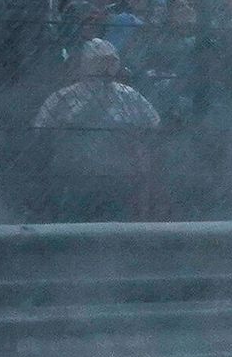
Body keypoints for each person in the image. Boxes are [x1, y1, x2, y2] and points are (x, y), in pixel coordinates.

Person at [28, 42, 165, 222]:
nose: (105, 67)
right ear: (85, 65)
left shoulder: (129, 96)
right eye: (98, 61)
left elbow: (154, 125)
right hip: (74, 179)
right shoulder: (64, 97)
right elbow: (40, 130)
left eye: (110, 61)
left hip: (119, 179)